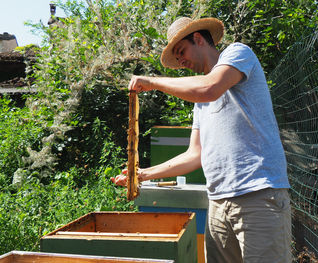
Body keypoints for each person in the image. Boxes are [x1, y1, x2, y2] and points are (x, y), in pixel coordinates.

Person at [111, 17, 291, 263]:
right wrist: (142, 174)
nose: (181, 61)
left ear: (198, 38)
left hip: (258, 196)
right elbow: (194, 155)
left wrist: (153, 82)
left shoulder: (238, 53)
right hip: (217, 203)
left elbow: (210, 87)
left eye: (181, 52)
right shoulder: (200, 103)